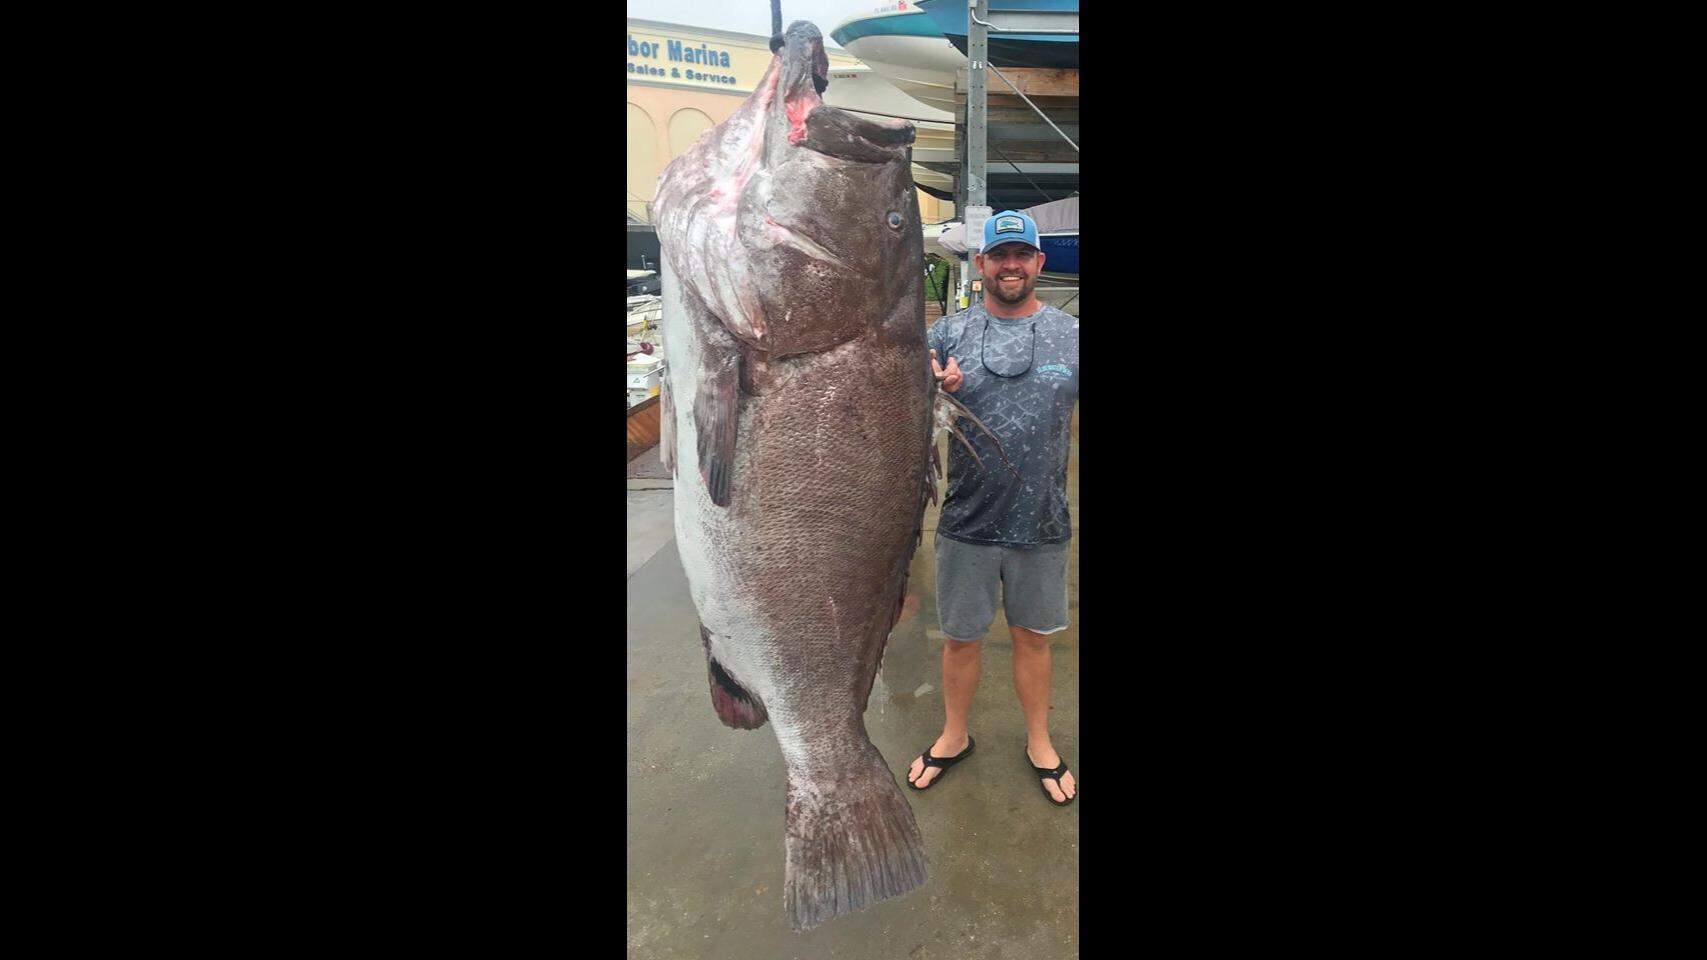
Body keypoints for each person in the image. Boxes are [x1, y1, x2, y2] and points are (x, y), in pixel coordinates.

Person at [909, 210, 1079, 806]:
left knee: (1034, 639)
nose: (1011, 264)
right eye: (998, 255)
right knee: (960, 640)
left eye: (1021, 254)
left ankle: (1039, 740)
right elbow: (893, 386)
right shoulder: (946, 334)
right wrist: (931, 384)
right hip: (966, 522)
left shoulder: (1071, 335)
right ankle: (955, 735)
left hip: (1043, 522)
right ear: (980, 265)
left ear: (1039, 262)